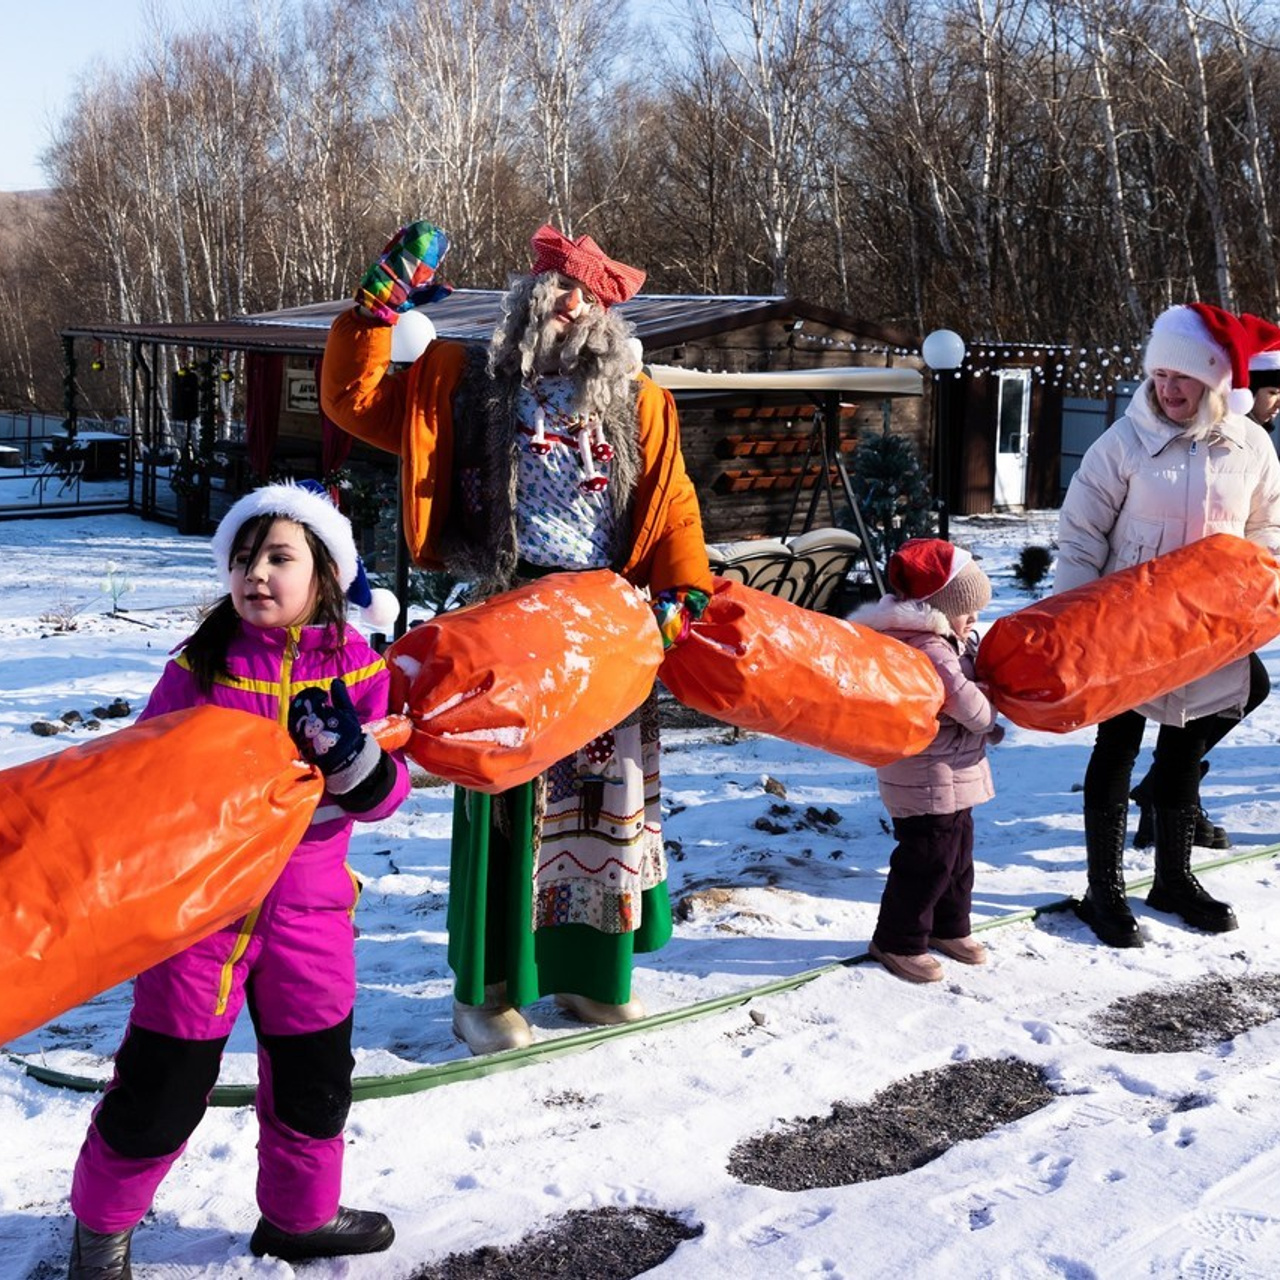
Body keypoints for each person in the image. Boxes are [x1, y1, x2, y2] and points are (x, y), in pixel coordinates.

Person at [321, 221, 713, 1054]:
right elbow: (353, 401)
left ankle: (590, 980)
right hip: (509, 618)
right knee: (509, 803)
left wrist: (681, 595)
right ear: (526, 296)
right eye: (555, 287)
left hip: (607, 624)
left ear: (611, 318)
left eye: (586, 294)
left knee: (604, 803)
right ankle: (488, 992)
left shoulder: (643, 405)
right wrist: (374, 309)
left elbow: (673, 508)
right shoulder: (462, 384)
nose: (567, 304)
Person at [67, 481, 411, 1277]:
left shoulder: (359, 668)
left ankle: (300, 1217)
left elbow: (387, 795)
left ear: (324, 573)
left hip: (310, 913)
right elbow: (141, 767)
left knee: (315, 1082)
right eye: (245, 559)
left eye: (279, 558)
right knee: (163, 1087)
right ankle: (102, 1231)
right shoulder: (202, 664)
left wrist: (348, 757)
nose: (257, 574)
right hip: (200, 915)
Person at [1056, 303, 1280, 949]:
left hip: (1210, 627)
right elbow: (1081, 536)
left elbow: (1267, 527)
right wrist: (1074, 624)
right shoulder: (1122, 443)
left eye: (1183, 378)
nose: (1168, 388)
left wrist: (1257, 590)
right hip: (1125, 624)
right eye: (1159, 374)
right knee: (1116, 748)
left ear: (1215, 384)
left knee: (1182, 751)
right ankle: (1105, 887)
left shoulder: (1252, 445)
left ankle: (1173, 879)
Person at [851, 538, 1002, 984]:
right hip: (924, 772)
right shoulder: (927, 648)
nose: (973, 620)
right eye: (966, 609)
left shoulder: (950, 639)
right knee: (926, 858)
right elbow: (966, 703)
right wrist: (991, 714)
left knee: (957, 854)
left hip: (951, 770)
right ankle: (898, 938)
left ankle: (950, 926)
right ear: (936, 606)